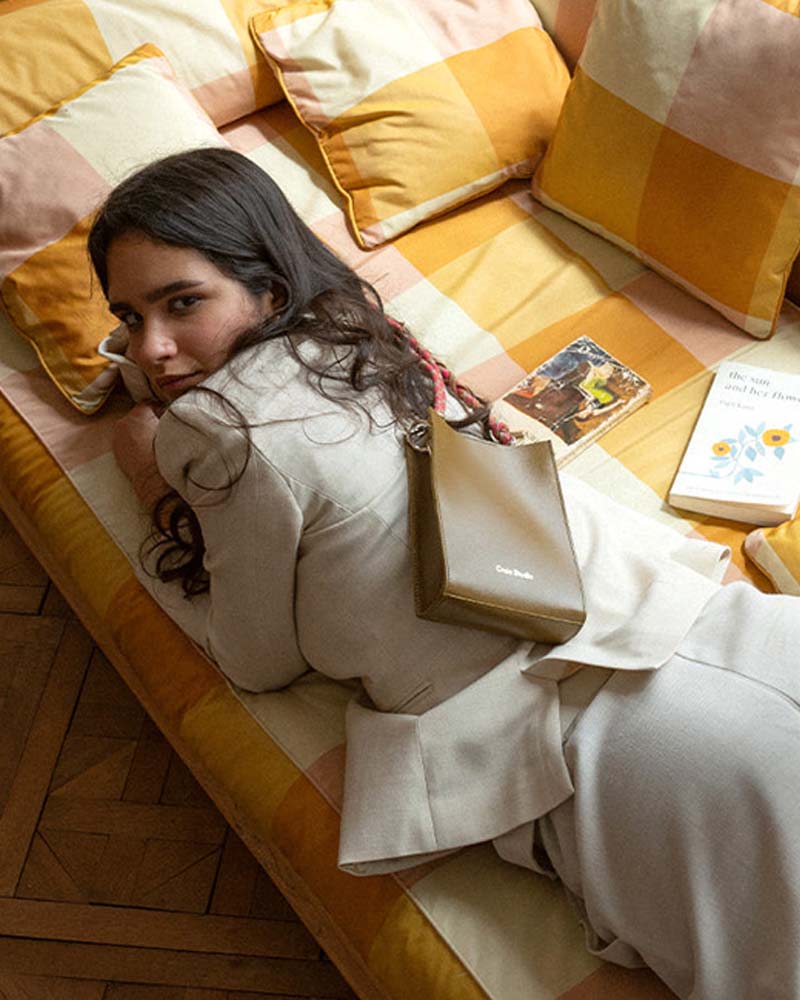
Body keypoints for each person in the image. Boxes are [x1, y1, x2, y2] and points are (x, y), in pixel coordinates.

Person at [90, 148, 800, 1000]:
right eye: (128, 319)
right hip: (676, 619)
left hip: (575, 735)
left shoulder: (214, 428)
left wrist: (153, 486)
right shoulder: (354, 324)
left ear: (268, 289)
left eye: (182, 303)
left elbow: (255, 661)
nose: (154, 348)